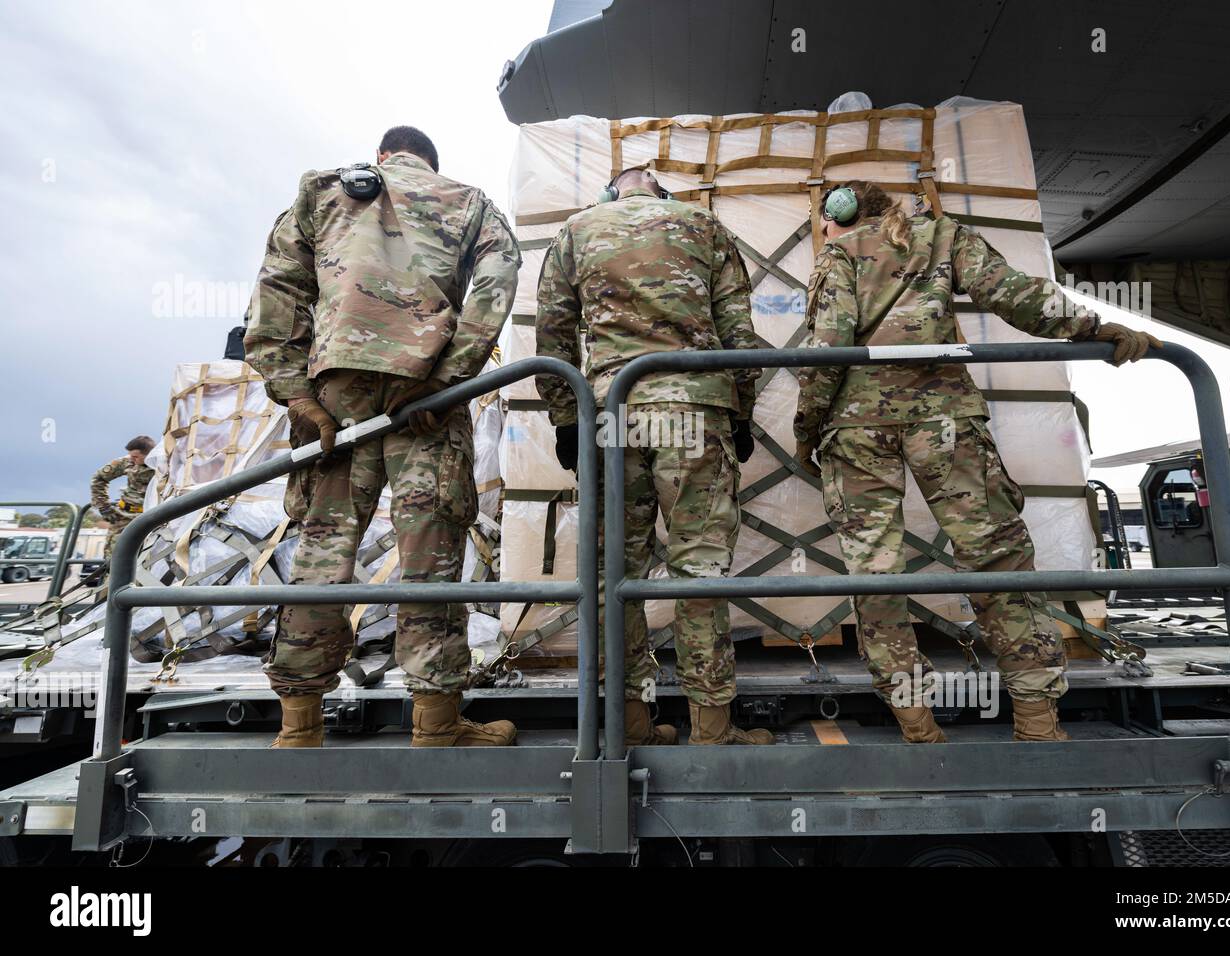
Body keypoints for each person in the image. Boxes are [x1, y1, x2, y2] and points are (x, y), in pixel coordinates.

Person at [795, 181, 1162, 743]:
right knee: (998, 559)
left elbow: (828, 349)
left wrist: (808, 430)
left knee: (875, 572)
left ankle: (916, 723)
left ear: (837, 217)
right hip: (945, 421)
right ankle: (1037, 718)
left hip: (858, 431)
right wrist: (1096, 328)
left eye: (823, 223)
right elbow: (1017, 295)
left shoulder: (838, 256)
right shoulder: (943, 237)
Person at [244, 125, 522, 749]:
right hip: (424, 398)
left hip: (333, 399)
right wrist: (450, 376)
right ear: (431, 162)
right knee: (431, 552)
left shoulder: (321, 196)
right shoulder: (466, 201)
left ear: (383, 157)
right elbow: (500, 279)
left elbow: (275, 292)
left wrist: (297, 394)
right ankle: (437, 725)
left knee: (322, 550)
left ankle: (299, 727)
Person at [535, 164, 773, 746]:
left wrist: (568, 419)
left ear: (612, 191)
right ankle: (712, 728)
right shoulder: (704, 225)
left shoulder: (577, 231)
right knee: (700, 572)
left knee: (614, 572)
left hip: (613, 416)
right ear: (661, 189)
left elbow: (553, 338)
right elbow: (741, 336)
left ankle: (631, 721)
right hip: (695, 411)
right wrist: (739, 411)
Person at [89, 436, 156, 562]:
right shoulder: (127, 462)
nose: (131, 459)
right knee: (114, 558)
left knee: (150, 560)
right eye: (130, 455)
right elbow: (98, 478)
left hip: (153, 517)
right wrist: (104, 507)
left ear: (149, 455)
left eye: (136, 457)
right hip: (125, 516)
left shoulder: (165, 463)